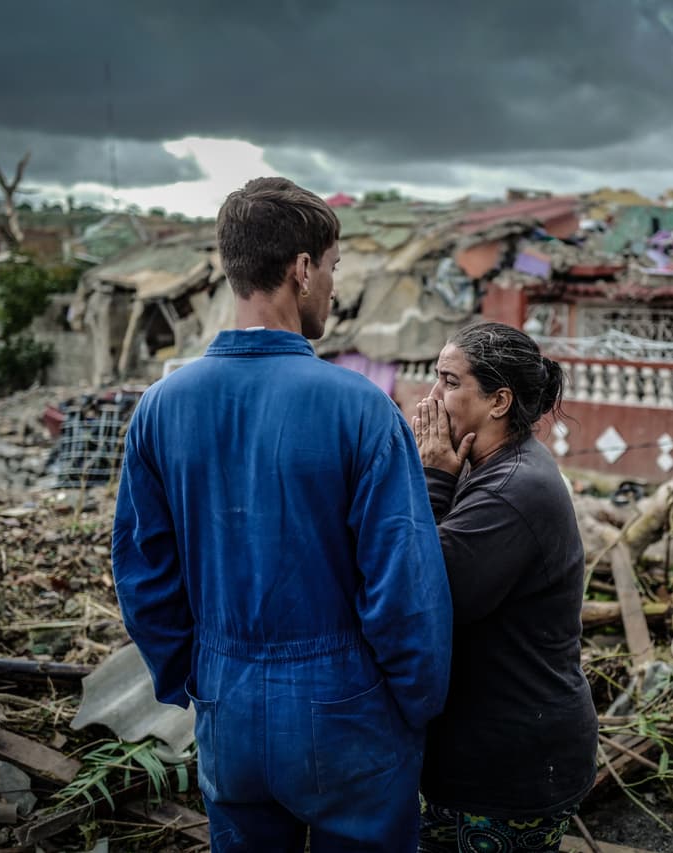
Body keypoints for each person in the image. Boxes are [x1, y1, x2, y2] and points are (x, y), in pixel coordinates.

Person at [112, 177, 452, 851]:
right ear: (301, 269)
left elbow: (143, 575)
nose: (333, 287)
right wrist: (417, 708)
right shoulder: (359, 409)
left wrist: (198, 677)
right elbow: (405, 590)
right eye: (331, 269)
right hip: (346, 711)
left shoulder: (160, 408)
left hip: (226, 707)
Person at [411, 321, 598, 852]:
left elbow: (428, 593)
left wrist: (433, 481)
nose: (432, 397)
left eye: (449, 381)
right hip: (489, 752)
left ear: (499, 401)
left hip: (510, 765)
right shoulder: (486, 468)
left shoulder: (514, 490)